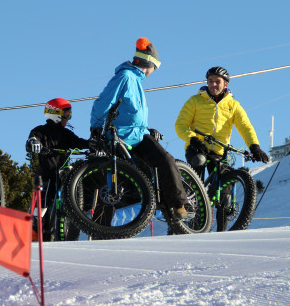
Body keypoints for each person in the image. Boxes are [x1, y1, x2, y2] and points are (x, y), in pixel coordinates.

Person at [90, 37, 189, 222]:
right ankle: (177, 204)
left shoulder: (135, 81)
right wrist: (95, 127)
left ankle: (176, 206)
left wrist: (147, 129)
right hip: (121, 136)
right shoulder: (125, 77)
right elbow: (103, 103)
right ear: (149, 63)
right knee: (114, 183)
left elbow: (131, 114)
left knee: (163, 161)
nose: (154, 72)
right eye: (155, 68)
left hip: (138, 135)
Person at [175, 66, 269, 229]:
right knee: (199, 162)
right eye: (210, 81)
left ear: (225, 84)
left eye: (217, 81)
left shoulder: (233, 105)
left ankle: (223, 232)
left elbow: (245, 126)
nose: (213, 85)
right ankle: (189, 208)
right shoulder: (195, 101)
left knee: (226, 190)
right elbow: (180, 125)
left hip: (219, 151)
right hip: (197, 148)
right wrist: (193, 140)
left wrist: (254, 147)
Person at [26, 98, 89, 240]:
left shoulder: (66, 134)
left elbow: (79, 143)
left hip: (62, 173)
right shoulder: (40, 131)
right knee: (42, 204)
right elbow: (31, 141)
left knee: (71, 185)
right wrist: (34, 143)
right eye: (66, 114)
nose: (68, 118)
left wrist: (93, 145)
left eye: (69, 114)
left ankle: (70, 218)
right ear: (55, 114)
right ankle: (36, 231)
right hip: (47, 176)